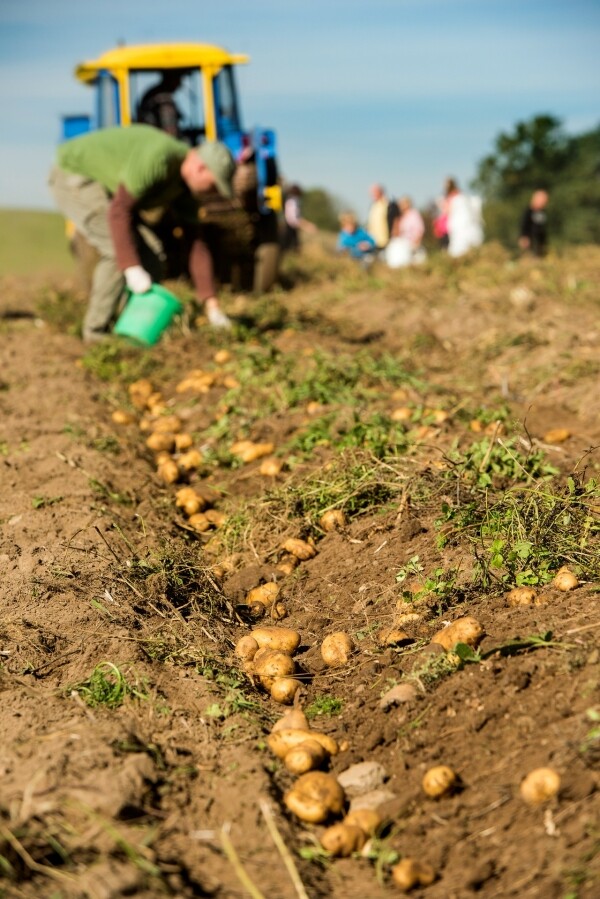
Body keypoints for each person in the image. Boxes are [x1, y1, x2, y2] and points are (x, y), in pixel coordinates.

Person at [49, 123, 236, 342]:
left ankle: (130, 326)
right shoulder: (160, 158)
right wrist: (130, 267)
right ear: (200, 168)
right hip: (76, 174)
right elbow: (119, 212)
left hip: (109, 191)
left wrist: (212, 305)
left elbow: (196, 245)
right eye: (214, 186)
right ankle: (96, 333)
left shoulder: (184, 190)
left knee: (152, 254)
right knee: (115, 250)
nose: (213, 193)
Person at [137, 70, 184, 138]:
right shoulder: (163, 99)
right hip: (155, 140)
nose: (180, 84)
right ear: (172, 79)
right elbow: (169, 130)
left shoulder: (154, 93)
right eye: (179, 79)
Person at [444, 177, 484, 258]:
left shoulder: (455, 197)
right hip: (461, 223)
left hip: (460, 224)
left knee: (460, 243)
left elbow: (448, 210)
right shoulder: (458, 195)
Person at [385, 195, 427, 268]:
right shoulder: (401, 217)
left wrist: (416, 242)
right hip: (404, 243)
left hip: (412, 243)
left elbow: (419, 229)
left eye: (402, 203)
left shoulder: (414, 214)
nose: (400, 205)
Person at [281, 184, 317, 252]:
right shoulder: (293, 202)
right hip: (289, 228)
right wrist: (307, 226)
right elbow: (293, 219)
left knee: (293, 247)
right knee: (291, 247)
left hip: (290, 227)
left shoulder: (290, 200)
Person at [367, 184, 397, 251]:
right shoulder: (373, 206)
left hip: (386, 239)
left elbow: (395, 220)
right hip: (374, 239)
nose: (372, 195)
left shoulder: (389, 204)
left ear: (381, 192)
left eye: (374, 193)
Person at [519, 190, 549, 257]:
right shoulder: (528, 212)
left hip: (539, 243)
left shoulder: (542, 212)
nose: (544, 202)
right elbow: (524, 225)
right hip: (530, 241)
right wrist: (524, 237)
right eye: (542, 200)